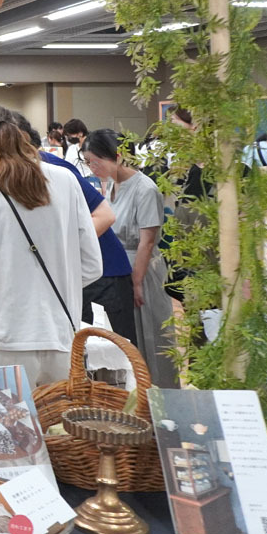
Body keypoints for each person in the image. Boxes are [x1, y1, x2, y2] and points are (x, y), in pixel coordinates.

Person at [0, 104, 102, 385]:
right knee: (59, 427)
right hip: (61, 334)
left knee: (4, 429)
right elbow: (92, 265)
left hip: (0, 336)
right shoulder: (66, 179)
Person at [10, 114, 135, 344]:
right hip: (79, 276)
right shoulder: (12, 172)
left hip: (104, 275)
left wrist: (60, 251)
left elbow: (105, 215)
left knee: (115, 358)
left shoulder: (52, 167)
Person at [81, 128, 178, 387]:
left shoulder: (145, 189)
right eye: (88, 162)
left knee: (151, 337)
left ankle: (160, 397)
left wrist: (136, 282)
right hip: (119, 272)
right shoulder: (112, 185)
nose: (92, 168)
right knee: (126, 339)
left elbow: (147, 241)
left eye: (96, 161)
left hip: (142, 270)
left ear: (118, 156)